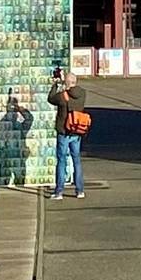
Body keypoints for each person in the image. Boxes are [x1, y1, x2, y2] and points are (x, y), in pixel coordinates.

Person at [47, 69, 88, 200]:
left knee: (62, 161)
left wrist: (56, 84)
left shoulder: (62, 96)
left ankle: (59, 192)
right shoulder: (82, 94)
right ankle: (80, 190)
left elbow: (50, 98)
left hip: (64, 132)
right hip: (76, 131)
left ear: (67, 83)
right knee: (76, 161)